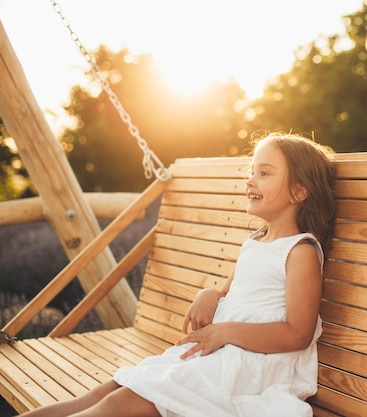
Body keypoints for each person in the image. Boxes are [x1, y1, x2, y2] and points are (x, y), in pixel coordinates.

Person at [21, 132, 337, 417]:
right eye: (250, 172)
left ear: (299, 191)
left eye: (264, 173)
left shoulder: (301, 251)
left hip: (253, 369)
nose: (250, 181)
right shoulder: (256, 241)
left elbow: (298, 333)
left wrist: (224, 332)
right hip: (223, 353)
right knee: (108, 390)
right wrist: (207, 295)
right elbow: (227, 292)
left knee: (119, 405)